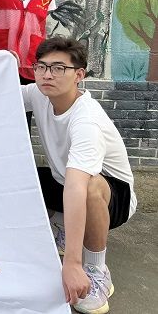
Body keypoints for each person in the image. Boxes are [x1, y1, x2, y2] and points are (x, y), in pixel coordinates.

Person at [21, 36, 135, 314]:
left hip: (113, 198)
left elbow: (76, 186)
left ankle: (97, 270)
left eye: (59, 68)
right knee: (20, 175)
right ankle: (63, 225)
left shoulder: (86, 120)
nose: (48, 74)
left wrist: (72, 263)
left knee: (89, 187)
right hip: (65, 182)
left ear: (79, 75)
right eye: (41, 67)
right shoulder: (39, 93)